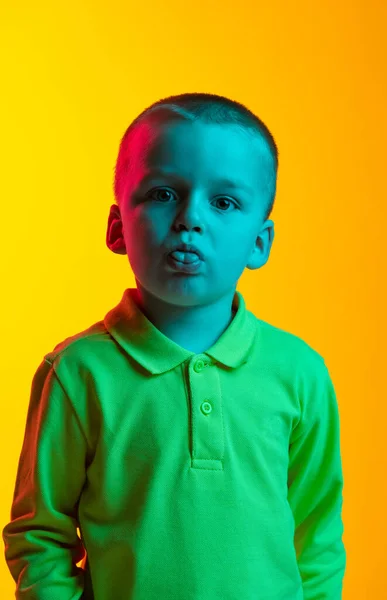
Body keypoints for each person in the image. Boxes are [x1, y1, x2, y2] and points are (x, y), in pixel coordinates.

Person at [2, 92, 346, 599]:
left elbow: (317, 536)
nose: (190, 219)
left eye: (224, 202)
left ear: (259, 242)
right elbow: (39, 536)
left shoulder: (300, 372)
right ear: (118, 227)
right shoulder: (78, 372)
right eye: (163, 194)